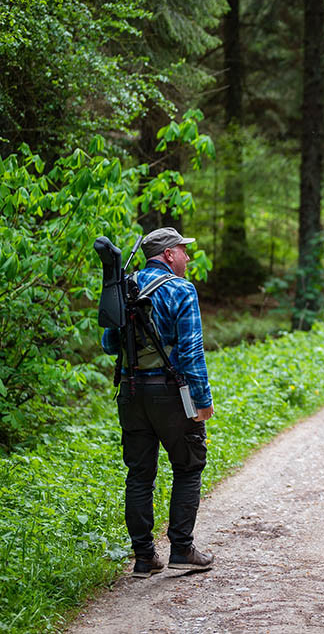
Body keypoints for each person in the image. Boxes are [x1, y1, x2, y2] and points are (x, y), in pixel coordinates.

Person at [100, 227, 215, 578]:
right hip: (171, 395)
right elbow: (192, 350)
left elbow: (108, 344)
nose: (187, 257)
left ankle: (144, 557)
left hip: (131, 395)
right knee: (188, 466)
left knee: (139, 474)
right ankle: (181, 549)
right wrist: (202, 400)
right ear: (168, 254)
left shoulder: (124, 287)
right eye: (183, 250)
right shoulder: (181, 289)